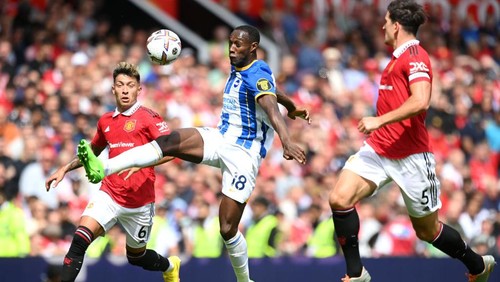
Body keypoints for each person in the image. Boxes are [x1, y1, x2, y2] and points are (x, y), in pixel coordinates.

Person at [75, 25, 310, 282]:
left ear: (253, 47)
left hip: (244, 154)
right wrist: (293, 106)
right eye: (230, 43)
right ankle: (104, 167)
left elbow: (269, 105)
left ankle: (245, 280)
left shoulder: (257, 71)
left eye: (238, 45)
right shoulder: (242, 65)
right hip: (221, 138)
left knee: (227, 228)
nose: (232, 49)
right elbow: (273, 94)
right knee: (170, 140)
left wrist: (287, 140)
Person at [327, 1, 496, 281]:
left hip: (411, 157)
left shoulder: (415, 56)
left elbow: (420, 101)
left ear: (395, 25)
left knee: (428, 232)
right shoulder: (395, 58)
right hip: (380, 148)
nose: (381, 25)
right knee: (339, 198)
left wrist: (378, 120)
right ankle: (356, 274)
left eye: (385, 20)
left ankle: (478, 264)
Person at [45, 62, 181, 282]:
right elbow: (92, 152)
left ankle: (170, 266)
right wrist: (64, 168)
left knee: (136, 257)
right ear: (113, 89)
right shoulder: (106, 121)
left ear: (139, 89)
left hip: (140, 201)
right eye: (120, 85)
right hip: (109, 193)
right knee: (79, 240)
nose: (125, 90)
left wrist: (143, 163)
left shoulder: (149, 117)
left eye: (130, 85)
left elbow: (173, 149)